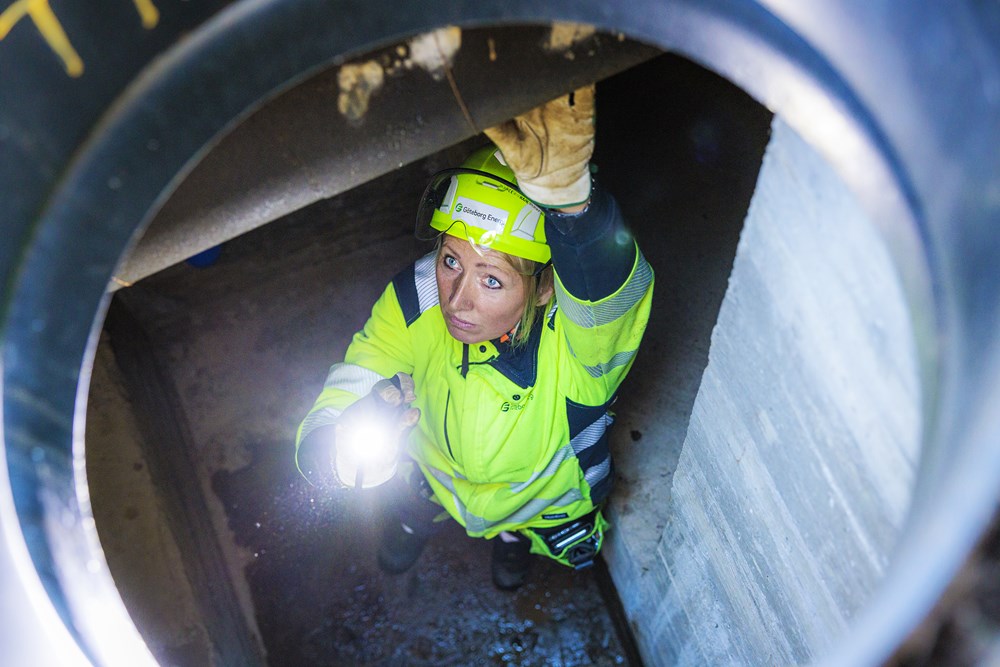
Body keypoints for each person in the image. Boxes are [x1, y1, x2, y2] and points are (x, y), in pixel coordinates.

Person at [294, 84, 653, 590]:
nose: (456, 301)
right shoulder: (414, 302)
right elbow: (344, 394)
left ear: (545, 285)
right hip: (435, 479)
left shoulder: (581, 345)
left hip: (542, 506)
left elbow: (610, 292)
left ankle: (511, 545)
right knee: (414, 498)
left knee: (519, 534)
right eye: (450, 261)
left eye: (492, 280)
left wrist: (576, 212)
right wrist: (339, 447)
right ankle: (413, 520)